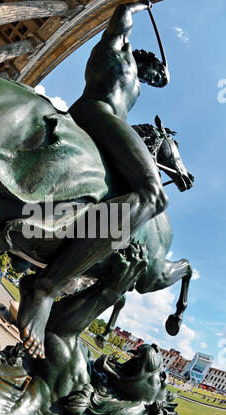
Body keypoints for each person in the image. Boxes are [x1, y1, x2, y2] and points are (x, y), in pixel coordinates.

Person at [17, 1, 171, 358]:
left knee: (124, 196)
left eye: (158, 82)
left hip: (107, 119)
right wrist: (137, 5)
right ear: (149, 61)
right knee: (154, 198)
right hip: (95, 111)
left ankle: (79, 233)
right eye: (156, 75)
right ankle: (46, 287)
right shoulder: (119, 47)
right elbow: (120, 18)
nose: (155, 81)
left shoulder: (132, 78)